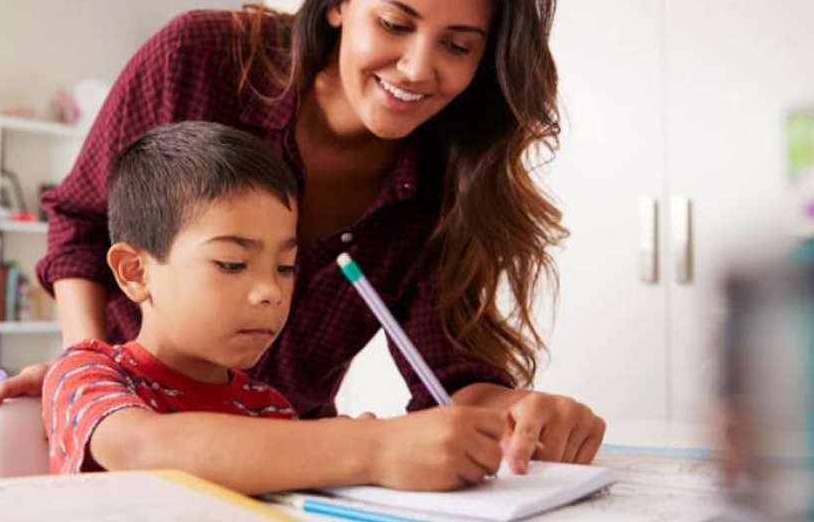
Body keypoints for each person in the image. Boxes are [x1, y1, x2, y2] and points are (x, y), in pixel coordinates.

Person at [0, 0, 605, 475]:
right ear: (339, 0)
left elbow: (451, 383)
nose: (417, 67)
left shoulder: (449, 181)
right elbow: (83, 224)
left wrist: (520, 413)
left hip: (291, 471)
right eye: (394, 24)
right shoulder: (198, 59)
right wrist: (86, 364)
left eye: (458, 45)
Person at [45, 121, 508, 493]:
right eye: (231, 263)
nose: (270, 291)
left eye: (285, 267)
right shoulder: (88, 374)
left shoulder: (266, 409)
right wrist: (370, 448)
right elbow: (143, 449)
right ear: (135, 272)